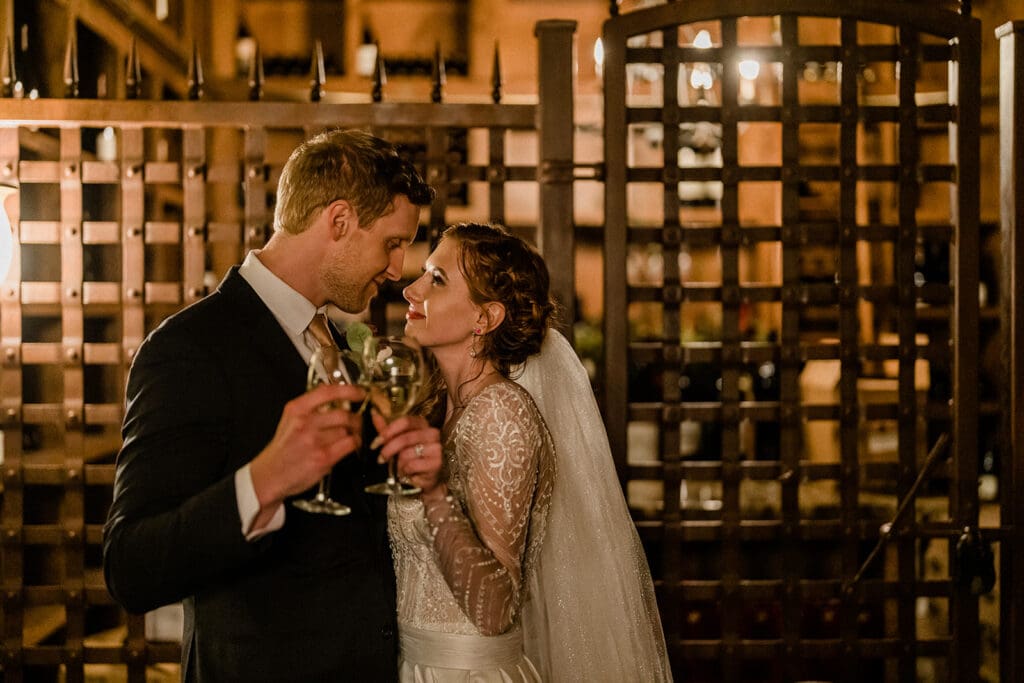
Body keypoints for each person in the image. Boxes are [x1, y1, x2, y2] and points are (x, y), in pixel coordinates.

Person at [103, 128, 444, 682]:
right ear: (339, 220)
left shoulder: (342, 344)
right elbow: (131, 569)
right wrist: (264, 481)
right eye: (391, 243)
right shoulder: (189, 349)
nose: (395, 268)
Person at [373, 222, 672, 681]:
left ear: (485, 318)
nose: (411, 290)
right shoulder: (440, 409)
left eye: (437, 279)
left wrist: (434, 494)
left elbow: (496, 610)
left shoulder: (501, 413)